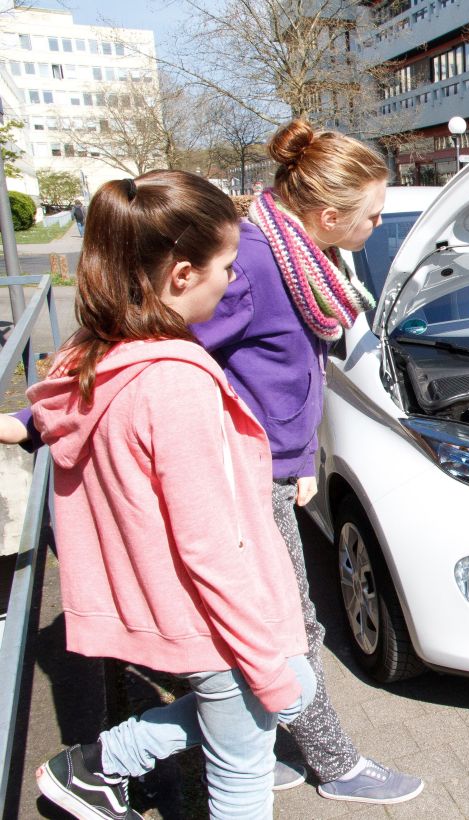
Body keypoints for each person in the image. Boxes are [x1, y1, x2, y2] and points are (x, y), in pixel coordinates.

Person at [19, 171, 315, 819]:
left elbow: (60, 422)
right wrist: (263, 662)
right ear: (182, 274)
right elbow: (211, 548)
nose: (235, 281)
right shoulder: (172, 386)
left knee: (290, 688)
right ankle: (101, 765)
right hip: (210, 621)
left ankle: (100, 766)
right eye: (228, 266)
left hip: (166, 605)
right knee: (243, 774)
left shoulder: (94, 350)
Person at [190, 119, 423, 804]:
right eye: (373, 214)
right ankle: (336, 765)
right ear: (327, 214)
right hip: (240, 477)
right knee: (293, 627)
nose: (378, 226)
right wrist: (34, 418)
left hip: (273, 469)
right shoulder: (257, 261)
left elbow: (279, 372)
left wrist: (298, 462)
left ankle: (251, 748)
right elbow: (163, 350)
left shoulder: (302, 254)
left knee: (271, 625)